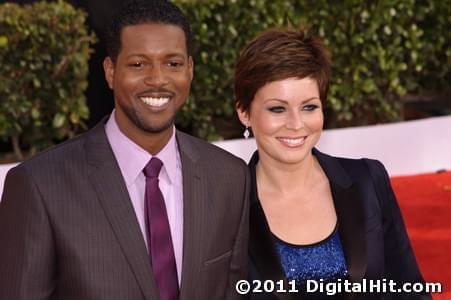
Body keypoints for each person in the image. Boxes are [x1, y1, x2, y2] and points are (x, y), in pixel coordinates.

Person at [0, 1, 249, 299]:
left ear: (190, 70)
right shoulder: (39, 186)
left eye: (173, 63)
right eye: (138, 64)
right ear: (110, 71)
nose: (157, 79)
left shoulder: (230, 178)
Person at [234, 27, 431, 299]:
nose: (296, 124)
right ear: (244, 113)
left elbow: (409, 291)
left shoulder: (367, 181)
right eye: (277, 109)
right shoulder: (229, 207)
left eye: (309, 107)